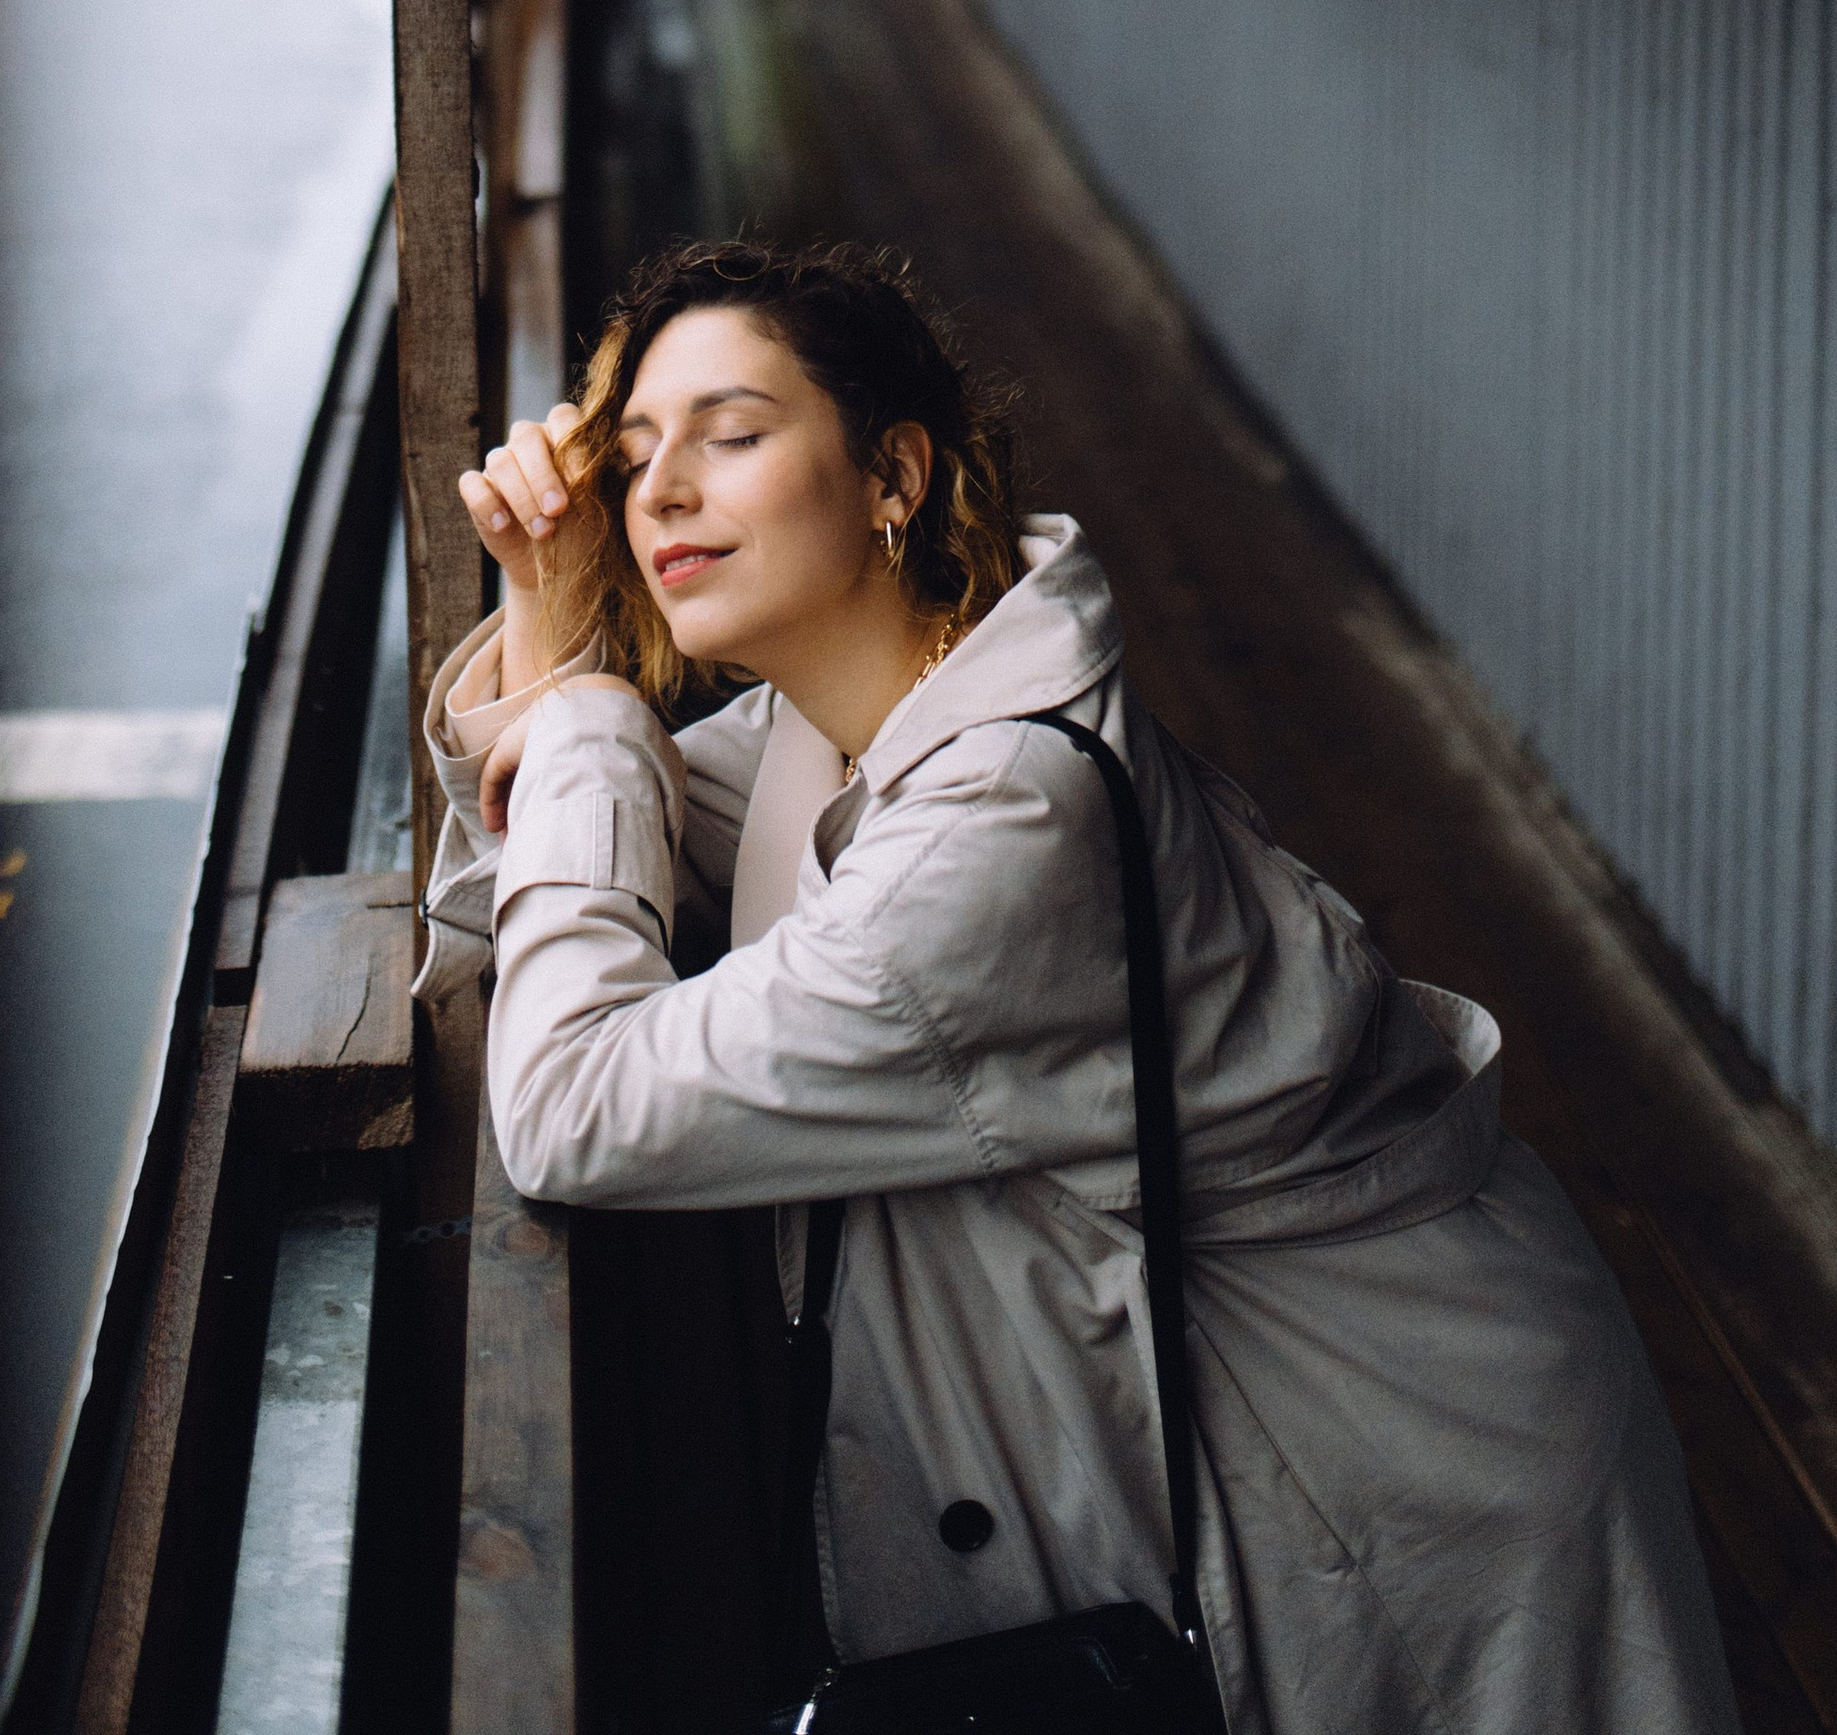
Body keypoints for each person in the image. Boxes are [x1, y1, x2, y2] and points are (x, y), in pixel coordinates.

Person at [420, 238, 1736, 1734]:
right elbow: (564, 878)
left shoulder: (1007, 822)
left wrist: (585, 702)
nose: (657, 493)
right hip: (1302, 1408)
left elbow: (571, 1105)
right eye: (635, 451)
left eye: (730, 437)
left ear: (892, 475)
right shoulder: (847, 721)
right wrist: (548, 615)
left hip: (1396, 1455)